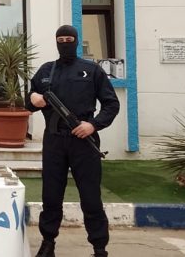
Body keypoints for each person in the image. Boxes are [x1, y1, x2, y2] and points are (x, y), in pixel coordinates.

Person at [26, 25, 120, 257]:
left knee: (90, 198)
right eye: (61, 40)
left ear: (76, 41)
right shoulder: (46, 70)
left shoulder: (91, 70)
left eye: (69, 39)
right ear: (56, 42)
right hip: (54, 141)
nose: (65, 43)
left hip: (84, 141)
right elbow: (29, 101)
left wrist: (93, 125)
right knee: (51, 196)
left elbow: (111, 104)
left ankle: (99, 248)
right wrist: (33, 97)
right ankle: (48, 243)